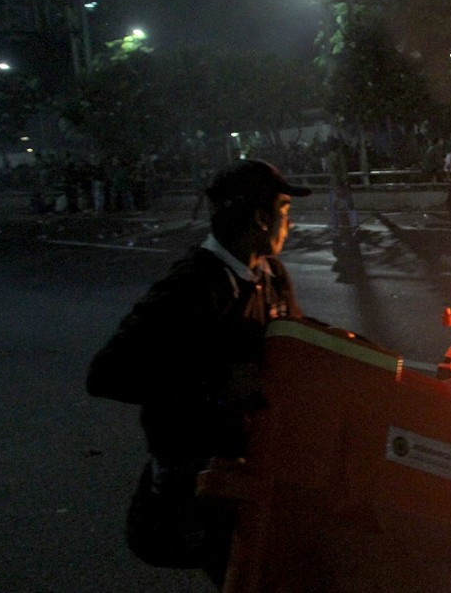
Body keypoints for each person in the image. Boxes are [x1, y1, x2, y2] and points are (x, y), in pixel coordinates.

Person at [85, 159, 311, 587]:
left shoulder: (271, 273)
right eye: (285, 209)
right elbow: (106, 374)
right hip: (201, 494)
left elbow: (288, 350)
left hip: (254, 480)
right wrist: (219, 383)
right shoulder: (191, 286)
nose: (291, 222)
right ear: (261, 219)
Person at [323, 135, 358, 231]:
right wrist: (346, 182)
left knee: (333, 206)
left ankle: (335, 225)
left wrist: (336, 187)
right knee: (350, 205)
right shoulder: (341, 155)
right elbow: (344, 170)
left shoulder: (331, 156)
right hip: (344, 183)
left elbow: (333, 174)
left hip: (336, 184)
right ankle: (354, 223)